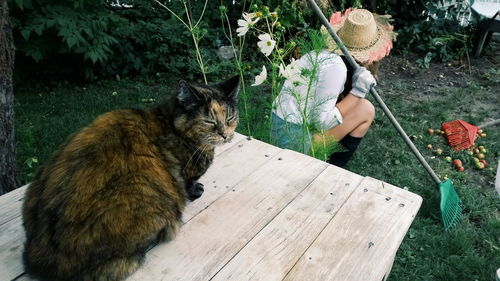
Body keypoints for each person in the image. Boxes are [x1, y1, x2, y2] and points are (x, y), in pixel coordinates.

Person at [270, 8, 396, 167]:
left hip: (284, 133)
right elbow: (321, 123)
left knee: (360, 107)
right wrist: (357, 93)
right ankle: (330, 170)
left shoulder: (319, 55)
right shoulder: (335, 67)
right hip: (293, 145)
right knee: (365, 109)